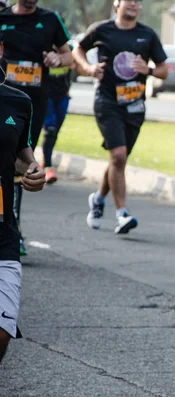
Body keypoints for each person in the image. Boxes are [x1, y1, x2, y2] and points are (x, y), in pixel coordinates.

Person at [73, 0, 168, 234]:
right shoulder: (101, 29)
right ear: (117, 4)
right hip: (107, 102)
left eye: (138, 1)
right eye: (129, 0)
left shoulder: (147, 35)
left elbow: (164, 69)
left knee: (119, 160)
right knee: (118, 155)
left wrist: (150, 70)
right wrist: (88, 68)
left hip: (135, 106)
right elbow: (78, 49)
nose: (134, 4)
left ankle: (98, 198)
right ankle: (122, 214)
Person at [0, 0, 72, 255]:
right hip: (3, 98)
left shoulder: (51, 19)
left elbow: (69, 56)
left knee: (21, 162)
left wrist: (57, 57)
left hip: (30, 104)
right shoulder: (3, 16)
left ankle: (11, 227)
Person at [0, 30, 47, 363]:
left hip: (3, 232)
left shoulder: (18, 101)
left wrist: (33, 168)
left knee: (2, 333)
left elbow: (20, 154)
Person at [42, 45, 75, 184]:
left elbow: (76, 67)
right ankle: (48, 167)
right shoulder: (43, 48)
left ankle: (45, 162)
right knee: (50, 130)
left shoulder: (69, 51)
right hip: (45, 96)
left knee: (55, 133)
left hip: (62, 97)